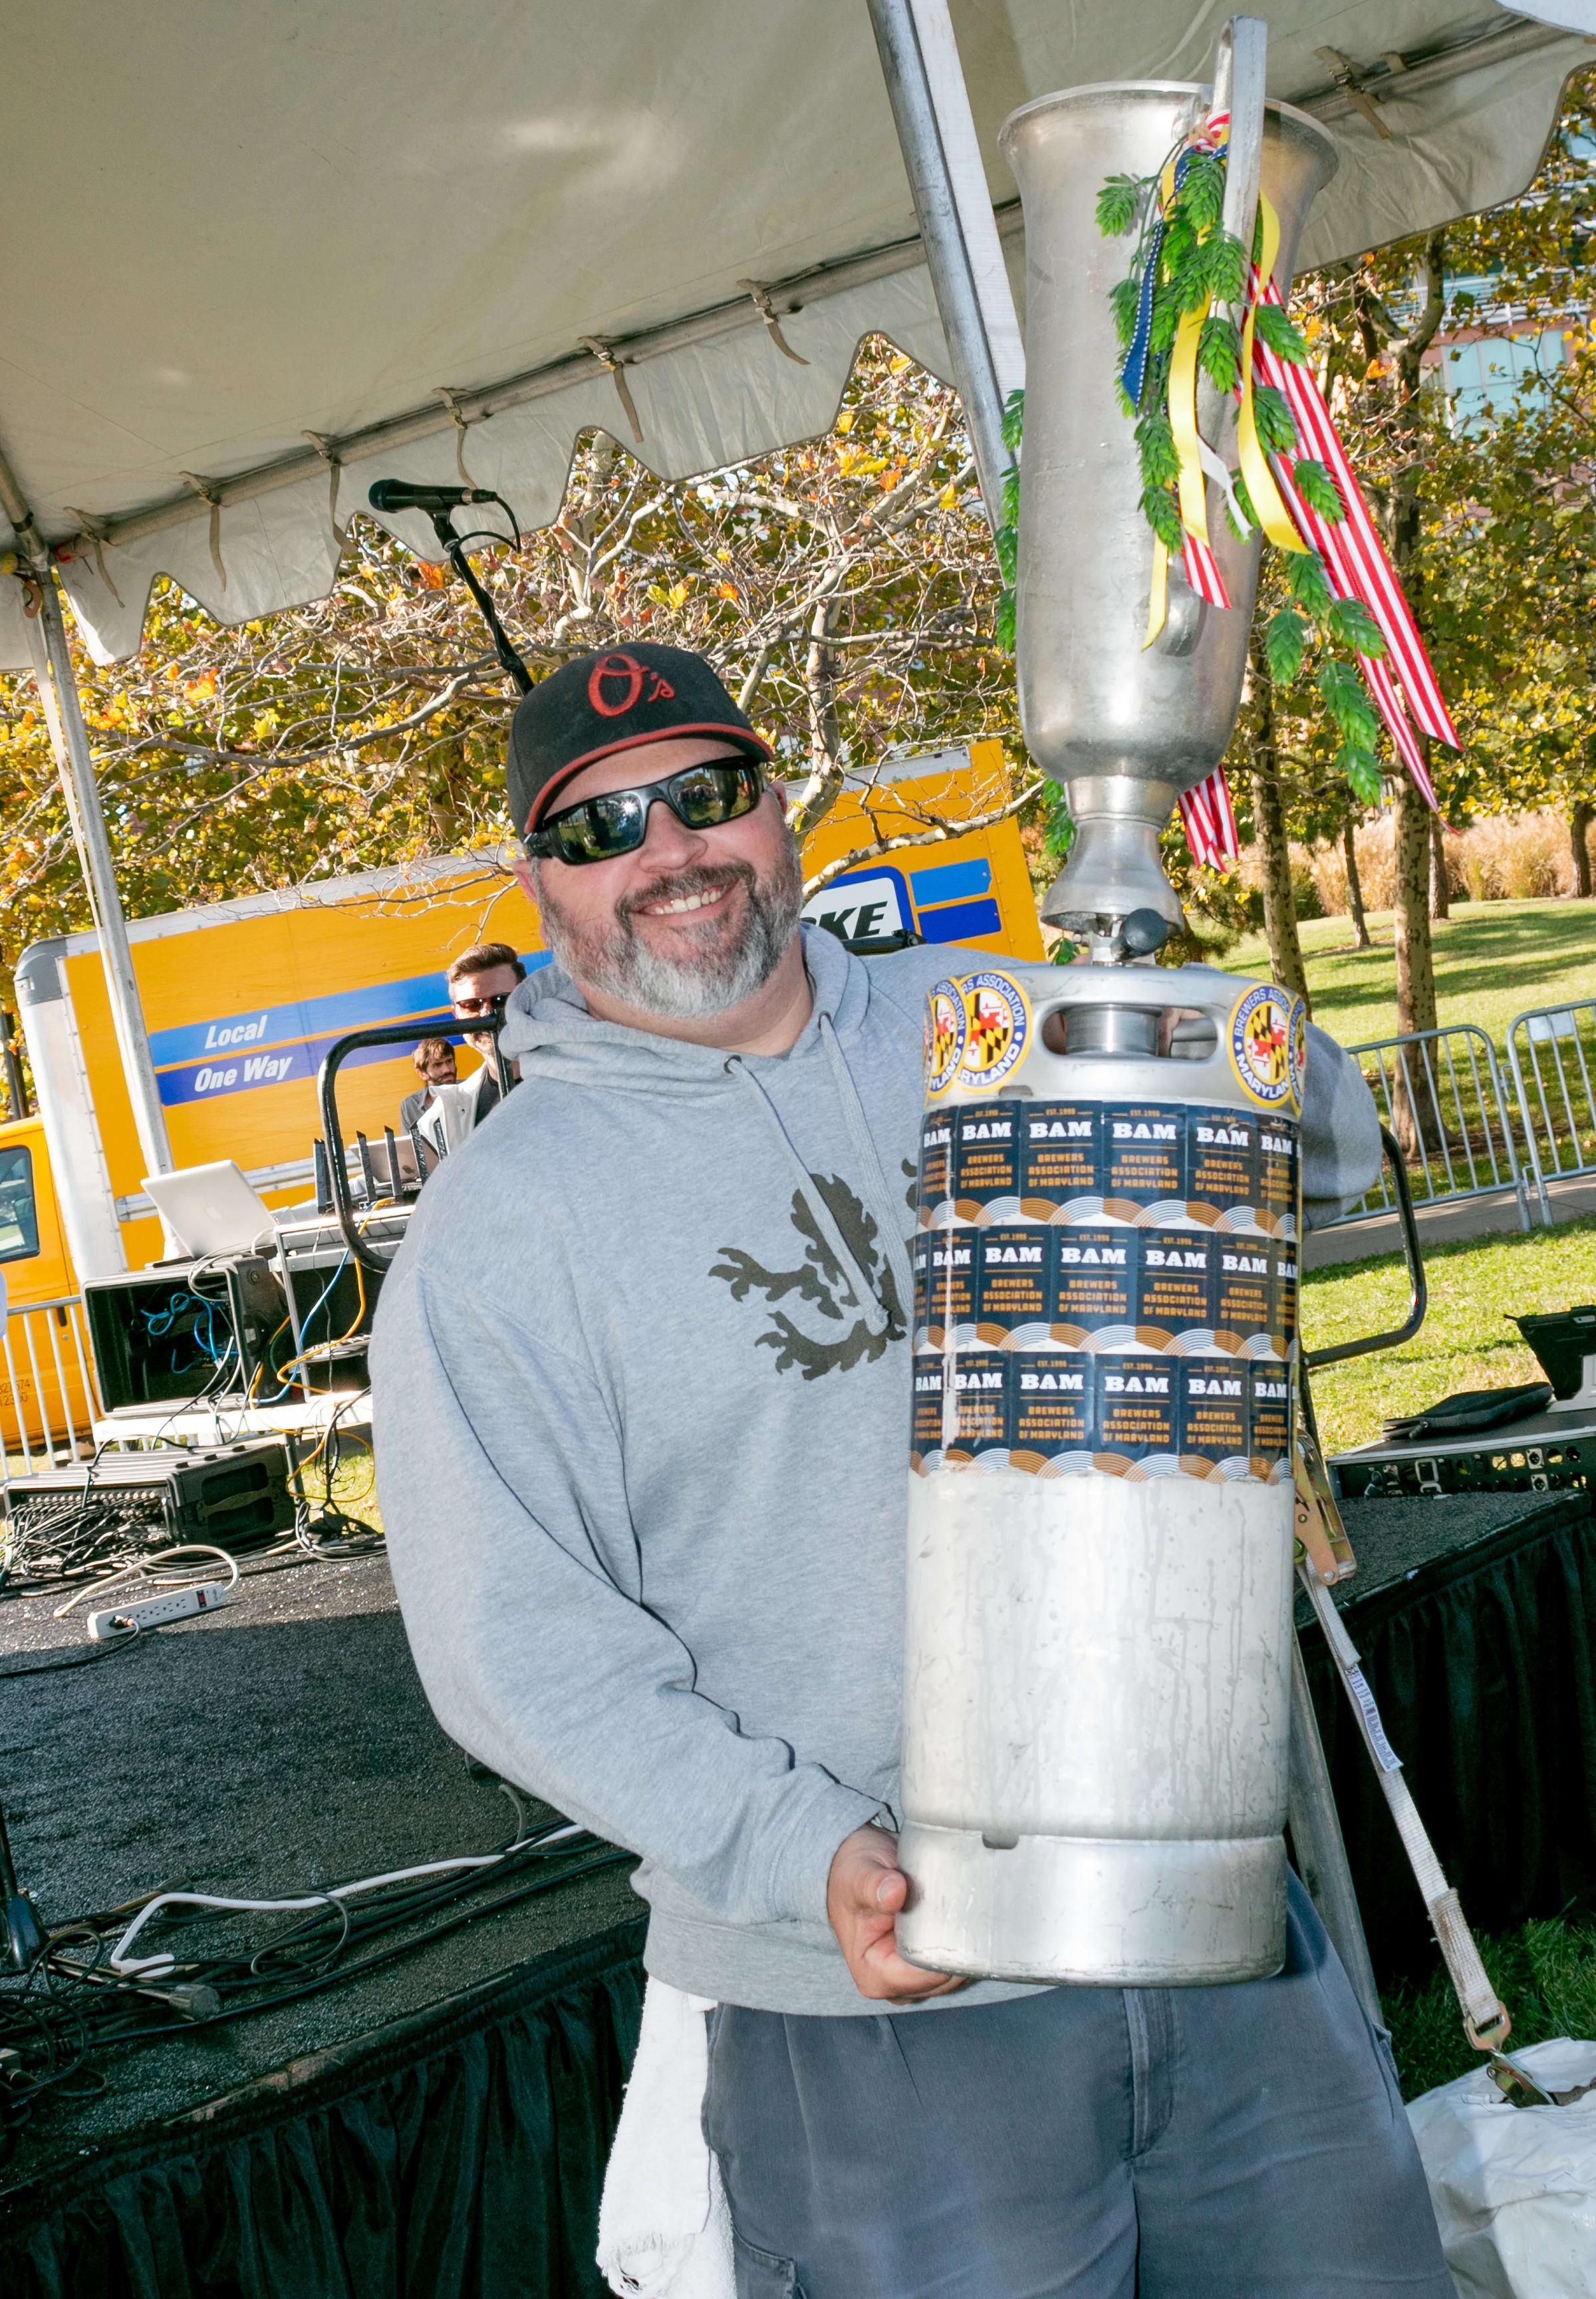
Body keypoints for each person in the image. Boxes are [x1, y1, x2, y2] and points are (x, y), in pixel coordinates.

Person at [370, 643, 1450, 2298]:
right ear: (537, 882)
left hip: (1207, 1906)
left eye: (708, 793)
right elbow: (516, 1654)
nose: (671, 851)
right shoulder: (498, 1233)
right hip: (874, 1997)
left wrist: (1219, 1035)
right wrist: (797, 1852)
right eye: (602, 827)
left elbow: (1325, 1158)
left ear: (778, 811)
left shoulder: (995, 1021)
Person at [446, 938, 525, 1123]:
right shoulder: (448, 1115)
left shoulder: (580, 1075)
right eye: (471, 1005)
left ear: (525, 999)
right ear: (457, 1015)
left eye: (501, 1000)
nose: (487, 1013)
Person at [400, 1034, 459, 1168]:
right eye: (438, 1065)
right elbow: (410, 1155)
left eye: (449, 1061)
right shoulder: (410, 1105)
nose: (447, 1070)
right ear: (421, 1073)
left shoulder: (471, 1090)